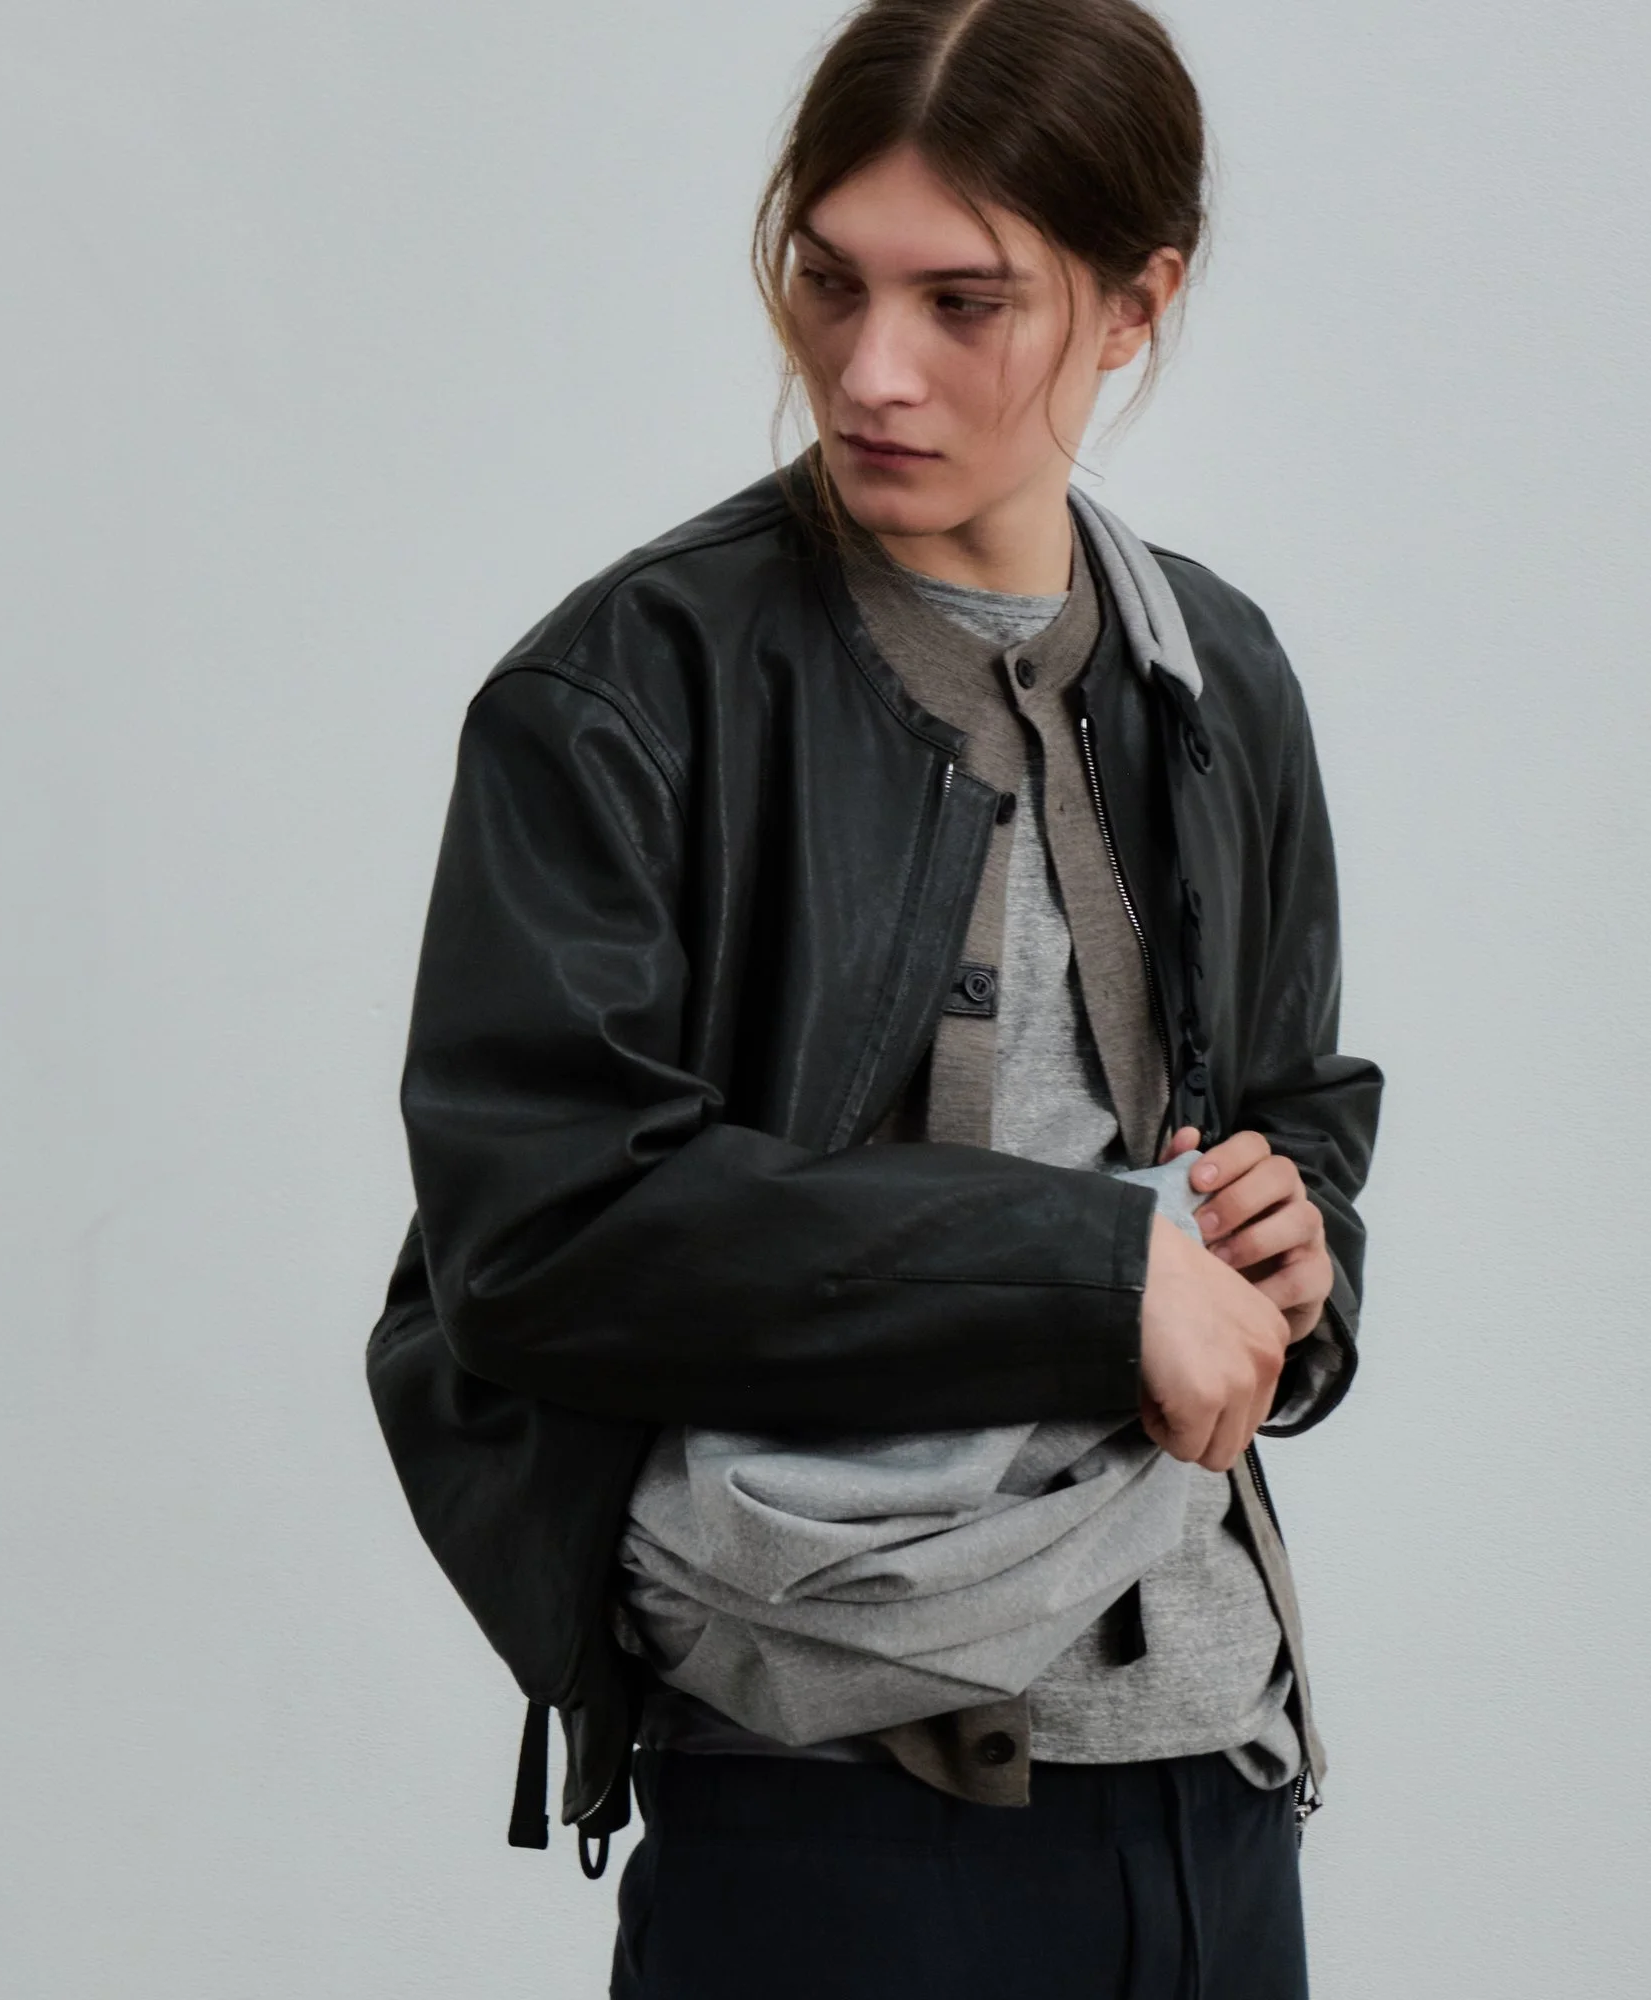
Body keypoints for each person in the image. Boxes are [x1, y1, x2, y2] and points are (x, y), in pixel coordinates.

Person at [376, 1, 1382, 1993]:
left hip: (1212, 1777)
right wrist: (1092, 1269)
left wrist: (1295, 1249)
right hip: (829, 1801)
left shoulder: (1214, 674)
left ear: (1136, 302)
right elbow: (540, 1234)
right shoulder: (627, 691)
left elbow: (1295, 1104)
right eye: (829, 281)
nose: (867, 369)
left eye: (962, 302)